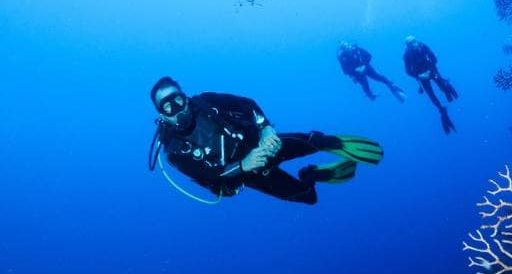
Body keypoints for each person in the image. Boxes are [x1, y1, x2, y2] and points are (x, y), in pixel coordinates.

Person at [148, 77, 383, 205]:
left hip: (262, 145)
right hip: (250, 174)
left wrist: (266, 129)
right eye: (167, 107)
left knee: (317, 141)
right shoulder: (174, 150)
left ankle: (329, 143)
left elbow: (246, 104)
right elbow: (209, 176)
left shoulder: (206, 102)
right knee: (308, 198)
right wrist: (244, 165)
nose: (176, 110)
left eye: (177, 100)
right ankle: (311, 175)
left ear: (185, 97)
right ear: (161, 114)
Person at [403, 36, 458, 134]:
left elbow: (434, 59)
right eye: (411, 43)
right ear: (408, 46)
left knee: (442, 86)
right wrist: (419, 76)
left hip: (431, 69)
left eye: (415, 41)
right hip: (421, 75)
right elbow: (408, 71)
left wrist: (430, 70)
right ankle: (442, 110)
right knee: (431, 95)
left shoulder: (422, 46)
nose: (414, 43)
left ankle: (447, 87)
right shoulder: (406, 55)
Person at [337, 41, 406, 102]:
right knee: (365, 84)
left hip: (365, 67)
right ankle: (370, 95)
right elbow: (345, 71)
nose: (347, 47)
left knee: (377, 77)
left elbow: (369, 56)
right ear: (342, 49)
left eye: (347, 45)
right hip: (357, 73)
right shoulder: (343, 57)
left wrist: (364, 65)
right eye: (344, 47)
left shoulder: (356, 49)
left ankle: (391, 85)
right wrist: (355, 70)